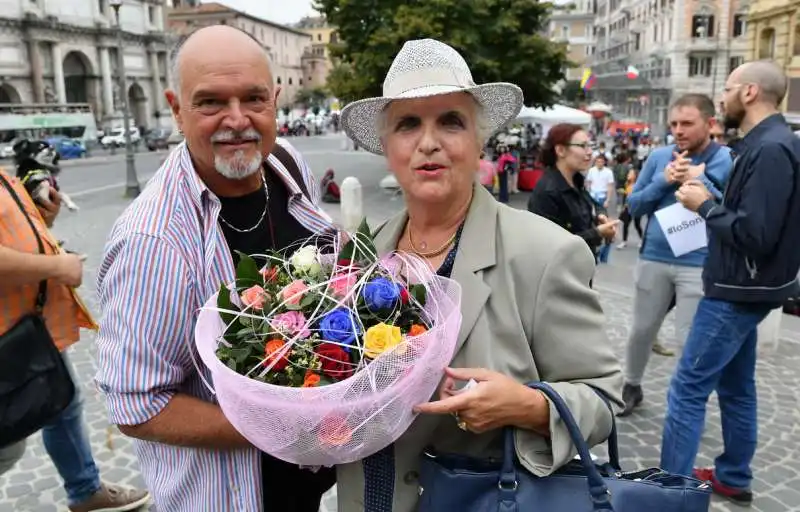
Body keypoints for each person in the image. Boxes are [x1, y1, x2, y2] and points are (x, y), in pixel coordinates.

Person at [337, 38, 622, 512]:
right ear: (387, 147)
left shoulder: (547, 253)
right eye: (408, 124)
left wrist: (527, 407)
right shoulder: (361, 255)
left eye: (450, 121)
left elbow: (602, 400)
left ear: (478, 141)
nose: (428, 142)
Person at [95, 26, 335, 511]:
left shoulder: (286, 165)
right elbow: (135, 405)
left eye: (253, 98)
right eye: (210, 103)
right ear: (176, 109)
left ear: (276, 100)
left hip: (310, 487)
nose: (237, 120)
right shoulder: (155, 242)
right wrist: (287, 430)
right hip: (234, 496)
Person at [663, 60, 800, 506]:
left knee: (687, 388)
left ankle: (668, 493)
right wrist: (714, 196)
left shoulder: (772, 147)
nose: (720, 98)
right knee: (737, 387)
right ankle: (733, 476)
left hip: (737, 290)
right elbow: (756, 219)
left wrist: (704, 205)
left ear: (749, 92)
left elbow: (756, 236)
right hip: (746, 288)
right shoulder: (766, 143)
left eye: (726, 89)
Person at [0, 167, 150, 512]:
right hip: (10, 334)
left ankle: (85, 490)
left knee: (61, 404)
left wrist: (39, 219)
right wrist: (56, 267)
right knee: (9, 444)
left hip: (30, 327)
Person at [618, 94, 733, 417]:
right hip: (654, 256)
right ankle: (631, 385)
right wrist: (663, 180)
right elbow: (634, 205)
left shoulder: (726, 159)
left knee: (688, 338)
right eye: (674, 124)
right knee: (642, 329)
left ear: (709, 124)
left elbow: (731, 211)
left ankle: (683, 399)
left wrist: (699, 179)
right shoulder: (658, 157)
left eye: (687, 123)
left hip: (699, 263)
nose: (678, 130)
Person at [527, 123, 618, 261]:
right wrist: (597, 233)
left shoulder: (577, 181)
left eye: (590, 146)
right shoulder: (547, 191)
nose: (589, 152)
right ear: (561, 150)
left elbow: (593, 204)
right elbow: (552, 246)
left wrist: (601, 215)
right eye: (583, 146)